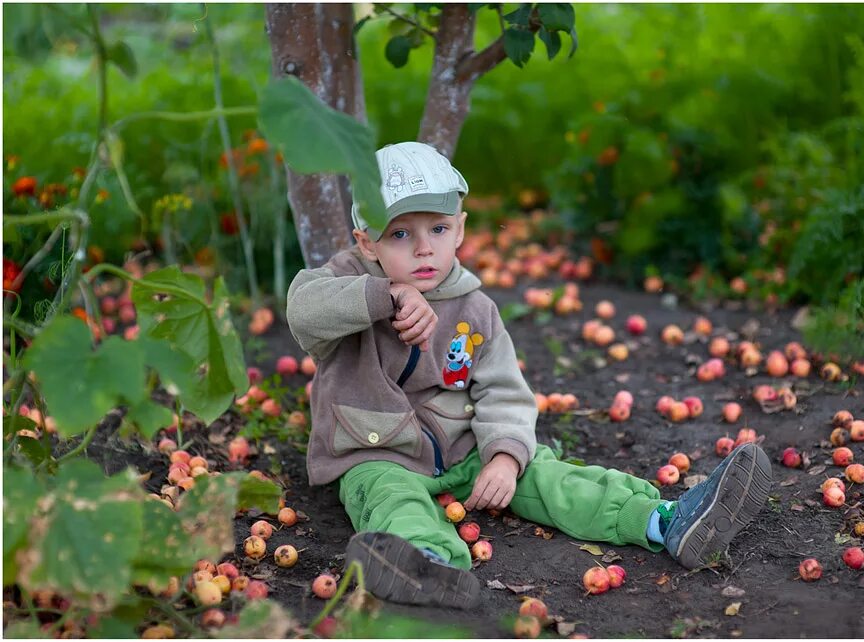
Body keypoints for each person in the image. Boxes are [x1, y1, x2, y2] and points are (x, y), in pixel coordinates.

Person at [285, 141, 772, 610]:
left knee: (548, 476)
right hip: (377, 455)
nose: (423, 249)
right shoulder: (341, 288)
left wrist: (503, 456)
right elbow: (303, 311)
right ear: (367, 242)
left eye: (438, 229)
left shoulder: (475, 309)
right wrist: (384, 295)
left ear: (460, 230)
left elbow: (502, 390)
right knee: (391, 499)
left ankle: (664, 521)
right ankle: (426, 565)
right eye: (399, 235)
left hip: (465, 454)